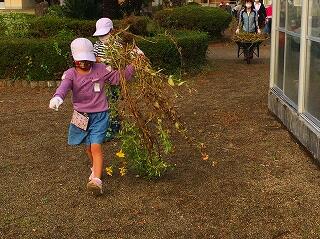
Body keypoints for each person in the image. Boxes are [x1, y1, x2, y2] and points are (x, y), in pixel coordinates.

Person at [49, 38, 135, 196]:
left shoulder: (101, 69)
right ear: (74, 59)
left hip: (100, 115)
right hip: (81, 116)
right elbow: (64, 87)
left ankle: (96, 180)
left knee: (95, 146)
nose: (85, 63)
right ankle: (95, 168)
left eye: (88, 59)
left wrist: (133, 65)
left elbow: (118, 77)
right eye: (81, 60)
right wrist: (58, 97)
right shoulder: (71, 74)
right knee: (88, 147)